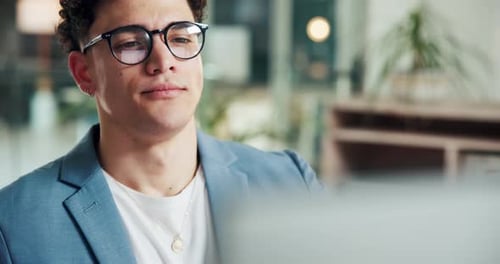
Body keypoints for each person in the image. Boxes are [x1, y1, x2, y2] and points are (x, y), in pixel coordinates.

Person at [0, 0, 322, 263]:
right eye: (130, 43)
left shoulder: (288, 182)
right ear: (84, 73)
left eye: (181, 37)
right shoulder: (15, 226)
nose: (163, 61)